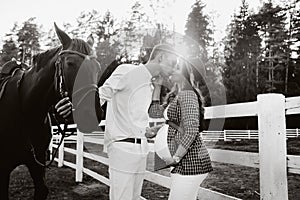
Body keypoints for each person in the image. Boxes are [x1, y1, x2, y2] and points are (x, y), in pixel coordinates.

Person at [55, 44, 179, 200]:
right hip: (122, 147)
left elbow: (135, 119)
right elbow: (101, 94)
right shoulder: (127, 70)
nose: (174, 69)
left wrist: (148, 131)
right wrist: (76, 110)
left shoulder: (149, 85)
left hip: (141, 149)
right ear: (161, 57)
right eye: (173, 63)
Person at [146, 58, 213, 200]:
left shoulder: (188, 94)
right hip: (182, 162)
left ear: (185, 73)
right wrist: (157, 87)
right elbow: (154, 113)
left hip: (190, 162)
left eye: (176, 67)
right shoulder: (175, 96)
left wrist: (176, 157)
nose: (171, 69)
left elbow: (191, 129)